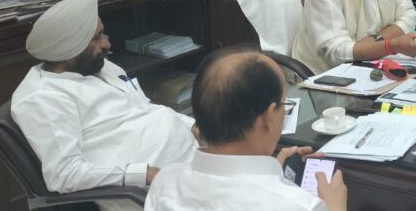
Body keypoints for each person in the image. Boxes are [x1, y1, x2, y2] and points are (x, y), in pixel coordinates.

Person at [10, 0, 198, 205]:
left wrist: (193, 126)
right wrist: (144, 174)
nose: (106, 44)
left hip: (192, 159)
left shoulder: (98, 66)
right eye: (96, 38)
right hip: (154, 189)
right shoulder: (44, 98)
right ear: (69, 50)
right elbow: (65, 174)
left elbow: (144, 108)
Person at [146, 46, 347, 210]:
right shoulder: (300, 205)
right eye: (284, 104)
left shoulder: (165, 181)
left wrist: (272, 172)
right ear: (269, 117)